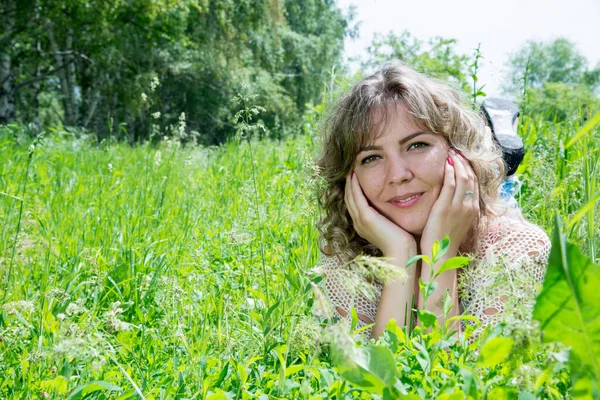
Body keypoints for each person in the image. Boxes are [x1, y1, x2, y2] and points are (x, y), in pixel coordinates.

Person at [315, 62, 550, 341]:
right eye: (371, 157)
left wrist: (441, 252)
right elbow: (375, 381)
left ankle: (495, 144)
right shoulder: (344, 257)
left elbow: (451, 382)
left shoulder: (521, 251)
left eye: (417, 145)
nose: (398, 175)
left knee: (502, 178)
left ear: (458, 152)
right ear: (349, 178)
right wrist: (399, 255)